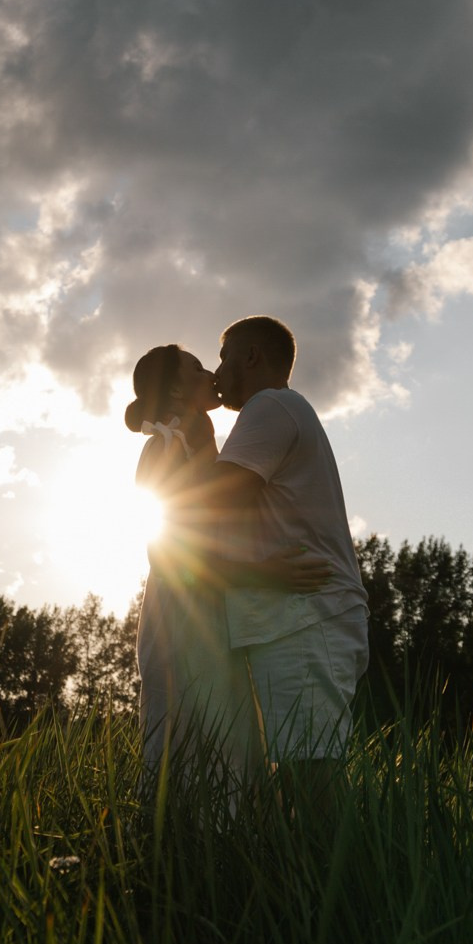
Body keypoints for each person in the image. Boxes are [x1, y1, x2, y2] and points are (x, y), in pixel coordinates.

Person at [126, 343, 325, 797]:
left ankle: (226, 846)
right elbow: (167, 550)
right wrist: (262, 573)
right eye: (198, 368)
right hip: (182, 610)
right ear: (178, 388)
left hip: (213, 604)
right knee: (191, 723)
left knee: (226, 727)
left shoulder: (201, 438)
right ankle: (176, 847)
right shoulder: (165, 445)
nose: (212, 374)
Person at [185, 315, 369, 794]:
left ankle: (342, 871)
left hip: (304, 615)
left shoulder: (270, 406)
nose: (218, 372)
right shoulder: (278, 411)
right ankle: (313, 869)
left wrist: (186, 422)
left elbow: (210, 504)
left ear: (251, 356)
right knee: (293, 775)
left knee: (310, 775)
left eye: (224, 358)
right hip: (294, 617)